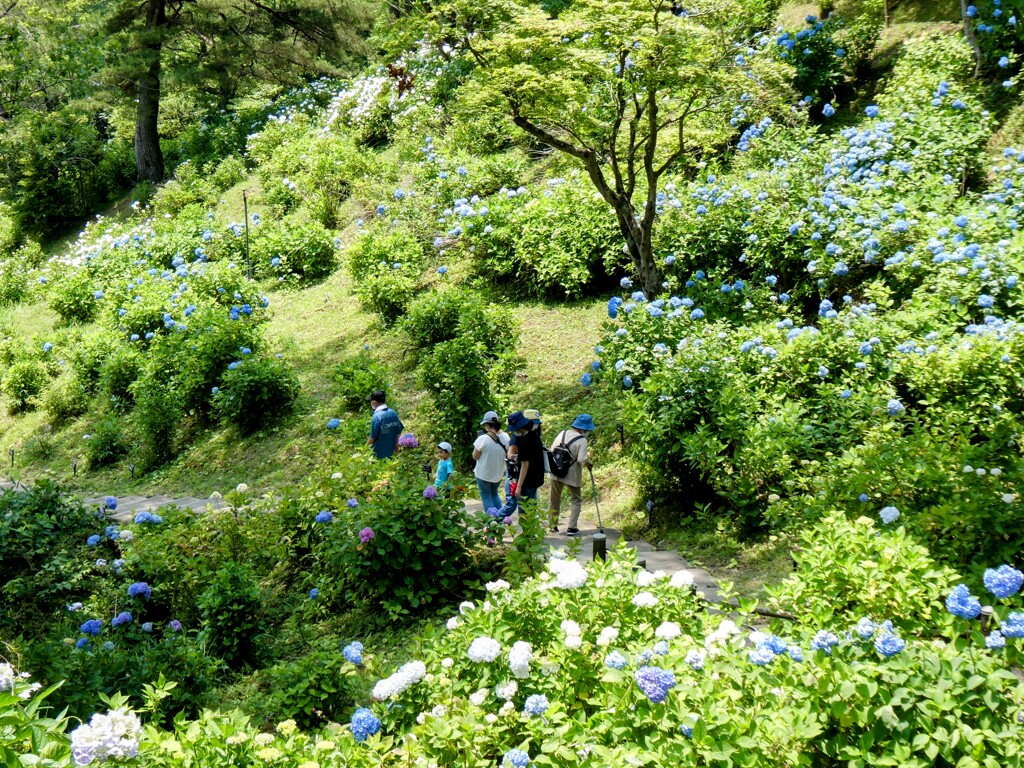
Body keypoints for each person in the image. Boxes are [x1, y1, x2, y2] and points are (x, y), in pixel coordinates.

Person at [548, 414, 594, 536]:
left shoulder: (562, 433)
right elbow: (581, 459)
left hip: (556, 470)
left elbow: (552, 450)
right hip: (572, 474)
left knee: (554, 499)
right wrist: (589, 464)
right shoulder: (582, 440)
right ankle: (572, 527)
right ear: (584, 429)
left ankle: (552, 526)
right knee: (576, 499)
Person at [472, 412, 509, 513]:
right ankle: (499, 519)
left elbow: (475, 456)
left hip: (483, 474)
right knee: (494, 494)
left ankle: (491, 522)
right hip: (497, 473)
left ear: (487, 425)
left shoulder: (482, 439)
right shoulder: (506, 437)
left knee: (486, 497)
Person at [506, 410, 545, 506]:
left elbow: (525, 465)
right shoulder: (533, 437)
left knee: (525, 510)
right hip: (534, 479)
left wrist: (518, 487)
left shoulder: (525, 441)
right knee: (531, 508)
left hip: (527, 480)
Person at [367, 390, 403, 460]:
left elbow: (372, 438)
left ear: (374, 403)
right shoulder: (393, 413)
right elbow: (398, 432)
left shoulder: (376, 417)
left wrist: (364, 449)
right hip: (391, 454)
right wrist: (397, 445)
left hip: (378, 454)